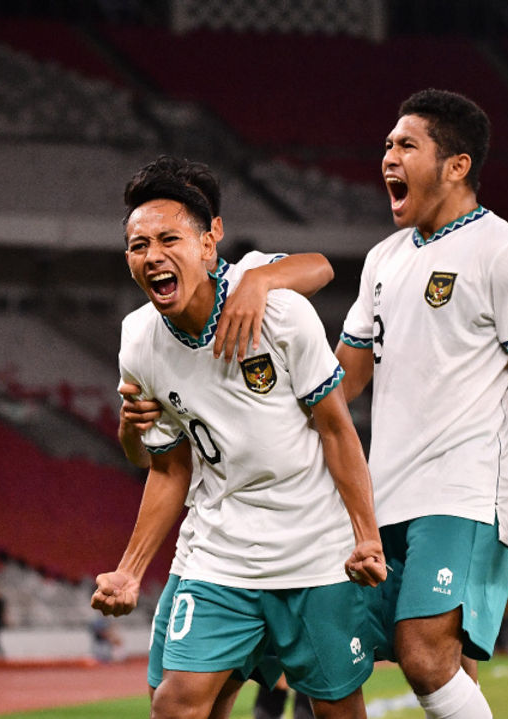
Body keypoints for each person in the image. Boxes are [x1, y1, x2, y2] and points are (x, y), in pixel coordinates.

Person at [92, 158, 387, 719]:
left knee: (338, 712)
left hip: (313, 556)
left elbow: (336, 429)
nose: (152, 256)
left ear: (209, 243)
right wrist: (129, 570)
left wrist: (364, 536)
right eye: (137, 246)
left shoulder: (278, 311)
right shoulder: (137, 342)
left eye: (168, 239)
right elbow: (166, 466)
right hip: (220, 557)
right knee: (176, 705)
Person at [336, 89, 508, 719]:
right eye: (387, 144)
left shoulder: (507, 253)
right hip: (388, 492)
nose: (388, 155)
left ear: (456, 165)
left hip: (465, 491)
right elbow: (344, 379)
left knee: (424, 653)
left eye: (406, 144)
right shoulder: (382, 260)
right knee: (368, 656)